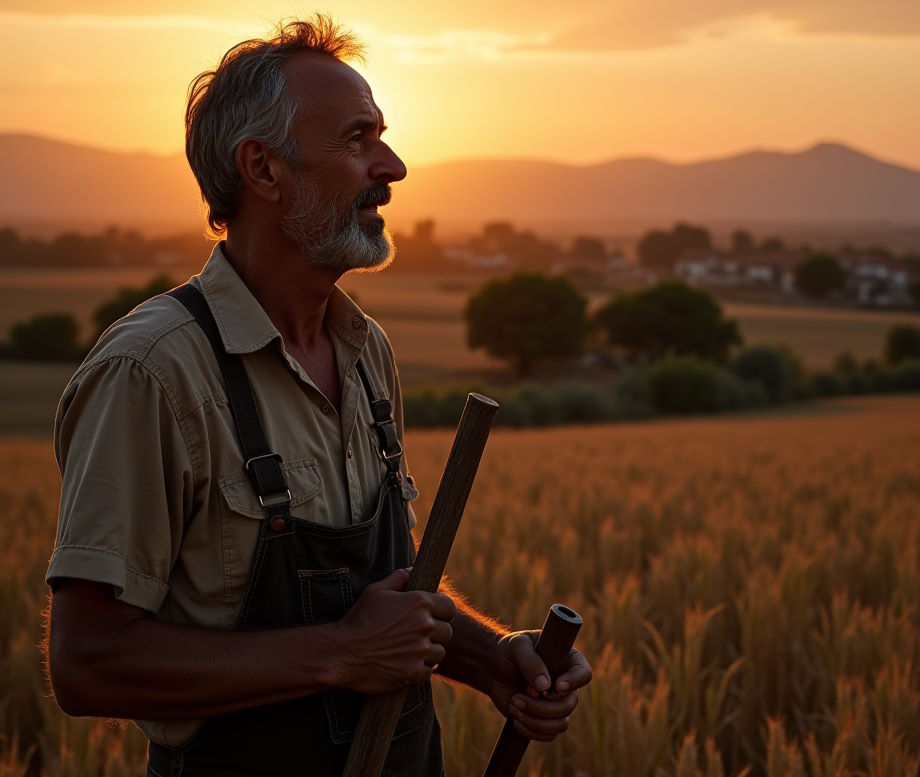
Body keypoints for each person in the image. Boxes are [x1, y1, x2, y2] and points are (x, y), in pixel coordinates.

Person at [45, 15, 591, 777]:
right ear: (263, 170)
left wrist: (494, 660)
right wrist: (339, 655)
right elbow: (87, 663)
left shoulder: (366, 354)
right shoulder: (154, 373)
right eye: (358, 139)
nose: (392, 165)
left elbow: (381, 603)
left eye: (382, 136)